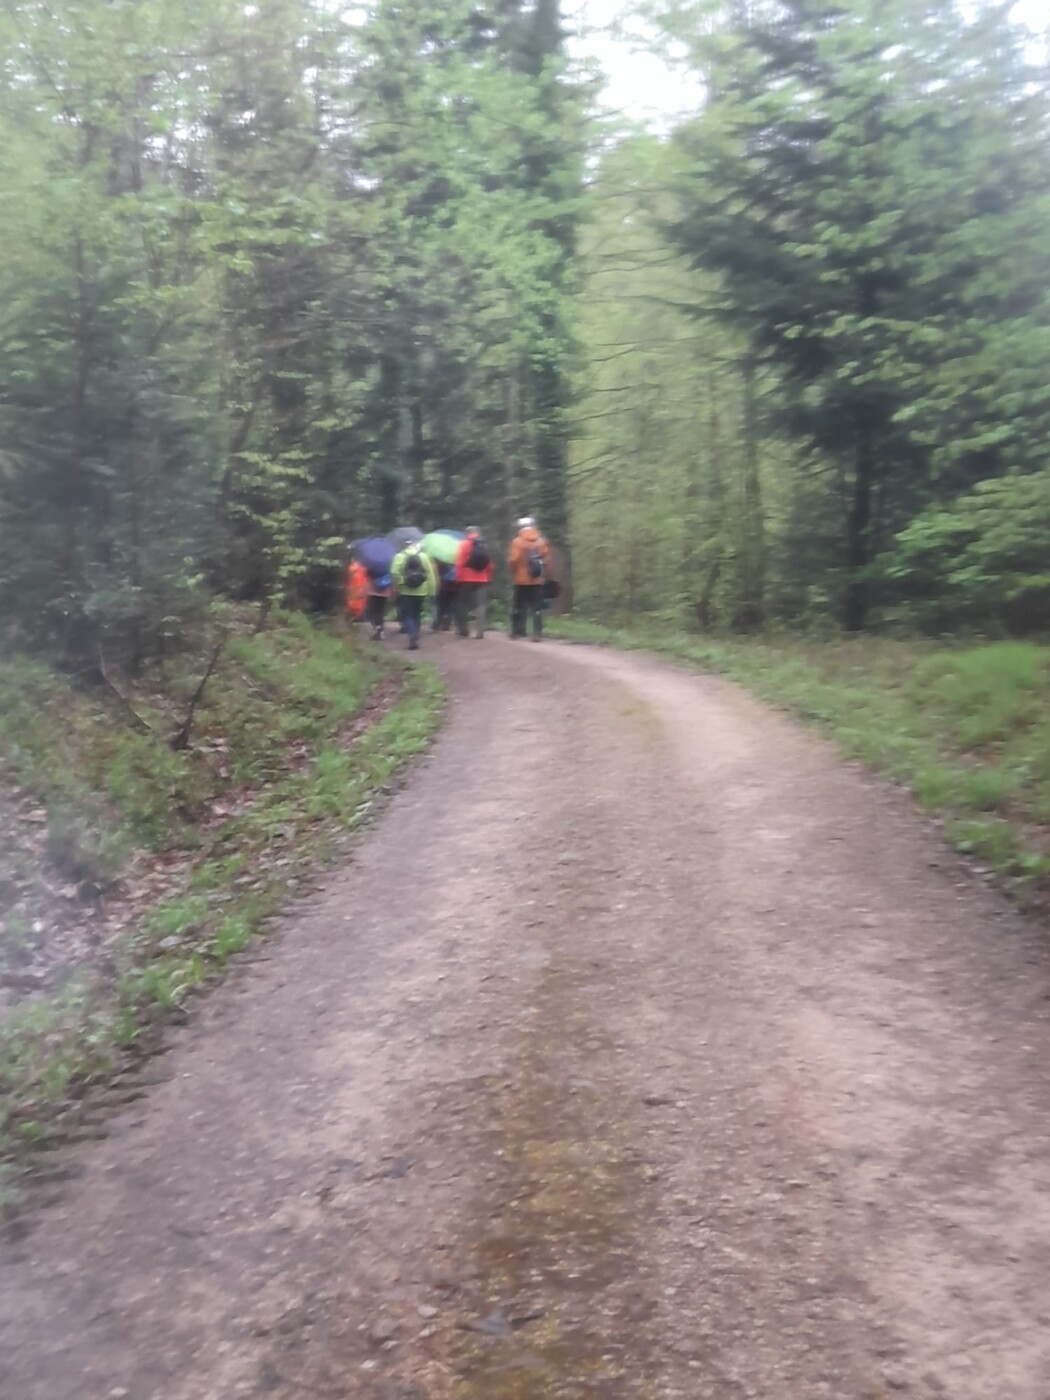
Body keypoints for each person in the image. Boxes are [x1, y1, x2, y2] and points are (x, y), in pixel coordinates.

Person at [508, 516, 553, 641]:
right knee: (537, 607)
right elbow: (548, 560)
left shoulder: (517, 542)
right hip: (537, 579)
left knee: (518, 606)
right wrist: (545, 575)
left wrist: (515, 572)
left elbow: (513, 560)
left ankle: (517, 632)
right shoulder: (541, 541)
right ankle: (537, 633)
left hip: (520, 580)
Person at [392, 541, 438, 650]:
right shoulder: (423, 556)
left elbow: (394, 572)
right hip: (421, 591)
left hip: (405, 591)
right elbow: (430, 575)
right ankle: (415, 635)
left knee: (408, 615)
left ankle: (412, 636)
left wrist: (401, 582)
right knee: (417, 614)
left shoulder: (399, 556)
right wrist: (432, 591)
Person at [454, 526, 494, 639]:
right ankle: (480, 632)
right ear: (478, 533)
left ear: (467, 533)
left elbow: (459, 563)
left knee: (462, 603)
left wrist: (458, 578)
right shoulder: (484, 545)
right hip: (482, 579)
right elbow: (489, 564)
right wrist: (488, 577)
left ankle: (463, 630)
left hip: (465, 578)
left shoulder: (463, 544)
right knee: (480, 605)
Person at [365, 568, 393, 641]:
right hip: (385, 593)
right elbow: (390, 579)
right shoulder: (387, 566)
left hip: (373, 592)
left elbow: (367, 575)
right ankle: (380, 629)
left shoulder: (373, 566)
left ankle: (378, 629)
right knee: (380, 612)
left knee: (372, 612)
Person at [434, 563, 458, 632]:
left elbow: (436, 574)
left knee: (441, 606)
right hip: (455, 586)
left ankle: (438, 624)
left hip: (443, 586)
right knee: (450, 606)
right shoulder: (456, 562)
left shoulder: (441, 563)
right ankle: (447, 622)